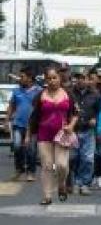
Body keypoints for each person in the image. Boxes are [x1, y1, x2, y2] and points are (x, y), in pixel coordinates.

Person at [25, 68, 79, 205]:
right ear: (45, 80)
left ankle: (61, 184)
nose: (52, 81)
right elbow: (32, 118)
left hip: (62, 135)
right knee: (47, 165)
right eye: (49, 78)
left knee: (62, 165)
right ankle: (47, 196)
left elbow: (76, 113)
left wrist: (71, 126)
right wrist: (27, 135)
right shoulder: (40, 96)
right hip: (44, 134)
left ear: (60, 79)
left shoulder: (68, 94)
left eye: (55, 78)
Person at [69, 69, 101, 196]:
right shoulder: (70, 93)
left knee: (87, 158)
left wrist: (95, 119)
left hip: (88, 131)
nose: (80, 80)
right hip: (74, 131)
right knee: (74, 157)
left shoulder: (96, 94)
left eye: (83, 78)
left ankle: (85, 183)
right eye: (78, 78)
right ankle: (76, 182)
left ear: (88, 79)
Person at [7, 66, 41, 182]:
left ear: (30, 78)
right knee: (17, 146)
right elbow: (11, 106)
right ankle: (19, 169)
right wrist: (7, 120)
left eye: (22, 76)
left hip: (32, 126)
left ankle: (31, 172)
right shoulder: (17, 91)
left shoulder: (38, 91)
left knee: (31, 150)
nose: (19, 79)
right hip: (17, 124)